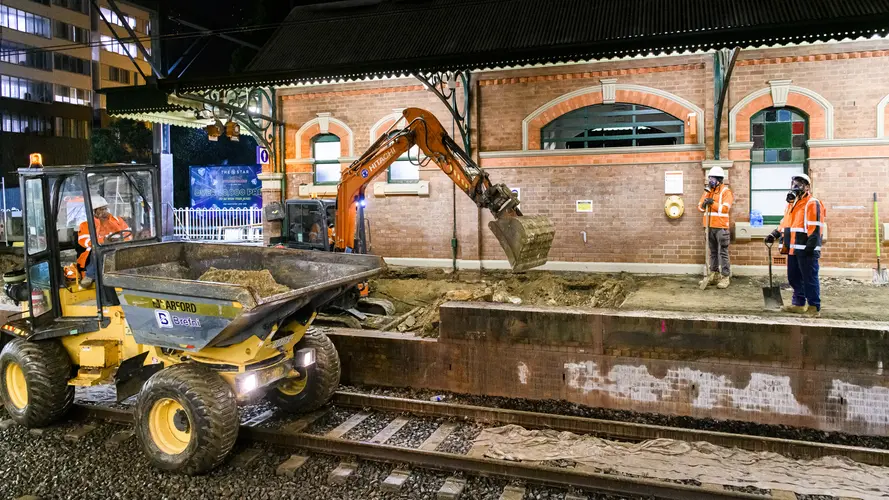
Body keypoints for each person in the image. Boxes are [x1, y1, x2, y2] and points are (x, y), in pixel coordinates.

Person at [765, 174, 826, 317]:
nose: (795, 186)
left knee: (809, 278)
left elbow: (816, 227)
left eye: (800, 183)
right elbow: (785, 222)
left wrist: (810, 248)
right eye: (794, 183)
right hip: (792, 248)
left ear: (807, 187)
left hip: (806, 249)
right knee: (793, 277)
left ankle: (813, 307)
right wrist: (774, 234)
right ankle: (798, 304)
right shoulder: (791, 204)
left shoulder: (812, 203)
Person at [77, 196, 131, 288]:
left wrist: (122, 240)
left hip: (117, 248)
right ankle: (90, 275)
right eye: (101, 210)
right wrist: (103, 241)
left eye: (105, 209)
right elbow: (84, 240)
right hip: (97, 252)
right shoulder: (86, 224)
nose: (104, 212)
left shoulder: (117, 220)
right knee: (99, 250)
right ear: (94, 212)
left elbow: (128, 234)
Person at [697, 166, 734, 289]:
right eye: (709, 178)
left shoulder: (726, 192)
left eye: (712, 178)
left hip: (721, 227)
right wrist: (705, 202)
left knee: (723, 252)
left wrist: (712, 203)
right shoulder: (708, 191)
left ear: (719, 179)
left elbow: (725, 208)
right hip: (709, 226)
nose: (710, 181)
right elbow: (700, 208)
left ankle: (725, 277)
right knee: (712, 252)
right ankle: (714, 274)